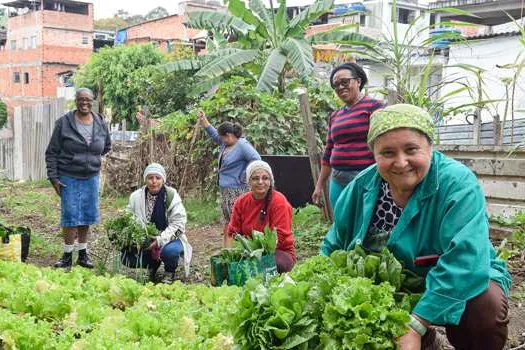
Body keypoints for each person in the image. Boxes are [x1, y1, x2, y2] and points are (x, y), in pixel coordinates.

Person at [321, 104, 512, 350]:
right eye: (387, 153)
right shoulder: (361, 186)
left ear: (430, 148)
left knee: (484, 306)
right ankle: (427, 341)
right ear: (374, 155)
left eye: (411, 149)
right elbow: (334, 244)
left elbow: (465, 260)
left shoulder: (457, 184)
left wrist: (417, 322)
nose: (401, 163)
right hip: (391, 284)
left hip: (455, 276)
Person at [45, 88, 111, 269]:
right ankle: (67, 255)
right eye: (81, 99)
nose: (85, 103)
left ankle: (82, 253)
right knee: (70, 216)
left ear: (93, 101)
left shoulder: (99, 122)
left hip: (91, 177)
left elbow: (106, 146)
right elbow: (51, 152)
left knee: (87, 215)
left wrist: (92, 160)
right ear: (76, 101)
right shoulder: (64, 123)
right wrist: (53, 177)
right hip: (69, 176)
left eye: (88, 100)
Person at [312, 62, 384, 210]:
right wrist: (319, 185)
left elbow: (383, 142)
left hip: (366, 179)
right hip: (337, 180)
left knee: (364, 224)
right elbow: (328, 151)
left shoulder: (374, 107)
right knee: (341, 223)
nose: (340, 87)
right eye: (336, 85)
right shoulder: (335, 116)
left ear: (358, 81)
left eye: (345, 82)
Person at [198, 112, 261, 245]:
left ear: (229, 135)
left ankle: (243, 245)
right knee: (228, 219)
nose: (221, 140)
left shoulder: (242, 145)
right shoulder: (226, 143)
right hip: (225, 189)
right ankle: (228, 247)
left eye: (223, 138)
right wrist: (205, 122)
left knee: (237, 219)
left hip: (237, 189)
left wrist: (245, 175)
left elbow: (256, 159)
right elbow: (215, 135)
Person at [127, 163, 192, 284]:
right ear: (145, 179)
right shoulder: (136, 197)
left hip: (171, 237)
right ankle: (152, 266)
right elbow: (129, 216)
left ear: (163, 180)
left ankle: (169, 271)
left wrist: (159, 240)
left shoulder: (171, 196)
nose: (154, 181)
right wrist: (136, 237)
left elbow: (179, 223)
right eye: (150, 178)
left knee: (170, 252)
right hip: (146, 238)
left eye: (158, 178)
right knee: (126, 255)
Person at [227, 160, 296, 273]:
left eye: (265, 178)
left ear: (271, 181)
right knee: (230, 267)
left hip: (278, 252)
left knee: (262, 266)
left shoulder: (279, 202)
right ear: (248, 181)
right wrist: (230, 256)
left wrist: (256, 254)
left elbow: (280, 237)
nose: (260, 182)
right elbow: (232, 233)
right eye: (255, 178)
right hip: (248, 252)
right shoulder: (241, 202)